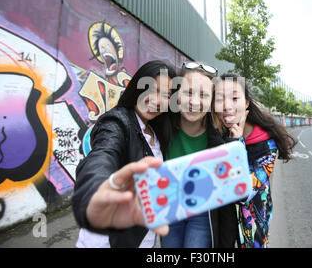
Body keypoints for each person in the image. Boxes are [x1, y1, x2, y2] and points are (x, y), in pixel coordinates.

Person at [73, 60, 176, 248]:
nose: (157, 100)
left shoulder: (157, 129)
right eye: (151, 89)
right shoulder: (117, 121)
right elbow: (103, 154)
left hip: (144, 237)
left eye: (166, 95)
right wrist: (98, 187)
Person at [213, 73, 297, 248]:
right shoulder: (216, 133)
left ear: (247, 103)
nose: (227, 106)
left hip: (252, 225)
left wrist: (236, 143)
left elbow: (243, 190)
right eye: (220, 99)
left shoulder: (266, 143)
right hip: (221, 223)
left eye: (235, 98)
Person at [160, 62, 237, 248]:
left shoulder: (220, 137)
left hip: (202, 210)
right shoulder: (161, 126)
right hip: (169, 204)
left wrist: (236, 143)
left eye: (203, 95)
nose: (194, 102)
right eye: (188, 92)